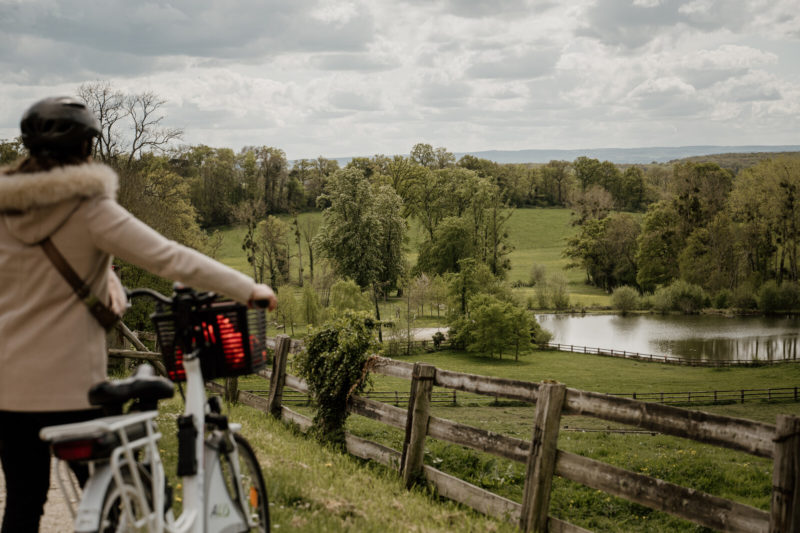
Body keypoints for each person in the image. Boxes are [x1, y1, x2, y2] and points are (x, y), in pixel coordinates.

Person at [0, 96, 277, 532]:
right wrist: (249, 289)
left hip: (8, 390)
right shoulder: (88, 208)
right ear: (88, 148)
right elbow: (169, 257)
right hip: (70, 390)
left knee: (22, 502)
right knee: (113, 503)